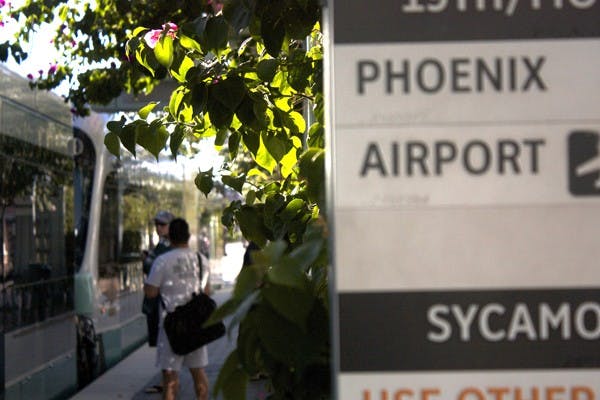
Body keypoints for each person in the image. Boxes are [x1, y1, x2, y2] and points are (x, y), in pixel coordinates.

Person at [144, 218, 210, 400]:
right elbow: (207, 291)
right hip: (196, 324)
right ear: (188, 237)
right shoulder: (201, 259)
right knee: (198, 372)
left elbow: (150, 292)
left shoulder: (161, 261)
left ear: (170, 238)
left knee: (170, 377)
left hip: (171, 326)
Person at [142, 210, 174, 394]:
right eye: (157, 225)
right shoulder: (162, 244)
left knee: (165, 345)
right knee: (163, 345)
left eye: (162, 224)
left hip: (163, 302)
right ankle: (166, 383)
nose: (158, 228)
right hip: (160, 302)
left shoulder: (167, 246)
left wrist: (146, 260)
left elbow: (157, 268)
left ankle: (168, 385)